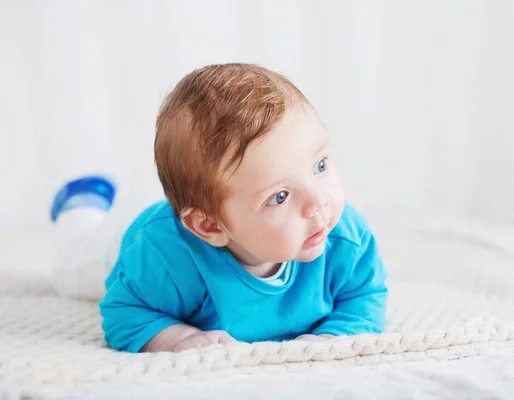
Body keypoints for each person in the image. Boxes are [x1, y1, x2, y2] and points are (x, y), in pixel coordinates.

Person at [50, 63, 388, 353]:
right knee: (70, 269)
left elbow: (364, 295)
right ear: (210, 227)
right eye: (280, 197)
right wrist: (178, 337)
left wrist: (333, 337)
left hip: (199, 203)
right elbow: (123, 310)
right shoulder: (165, 260)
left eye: (320, 165)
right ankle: (82, 202)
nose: (318, 203)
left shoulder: (346, 239)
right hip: (123, 241)